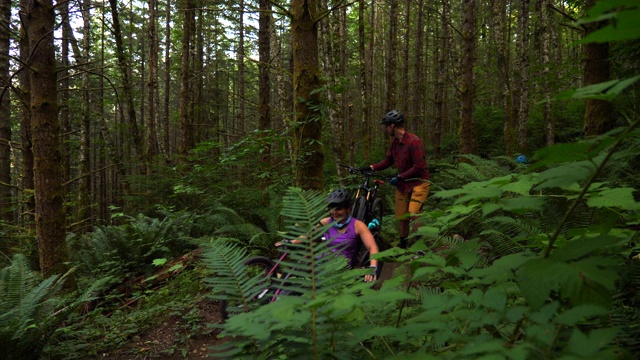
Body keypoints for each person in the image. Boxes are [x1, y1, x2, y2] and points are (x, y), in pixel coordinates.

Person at [278, 188, 379, 282]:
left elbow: (372, 247)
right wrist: (291, 242)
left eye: (339, 209)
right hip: (320, 263)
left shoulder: (358, 225)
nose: (334, 212)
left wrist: (373, 267)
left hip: (340, 269)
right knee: (292, 274)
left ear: (348, 209)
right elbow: (309, 235)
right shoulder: (325, 222)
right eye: (331, 208)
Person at [364, 109, 430, 249]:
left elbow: (419, 166)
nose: (386, 129)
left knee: (414, 214)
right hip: (403, 185)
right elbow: (388, 161)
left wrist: (399, 176)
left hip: (419, 183)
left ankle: (420, 248)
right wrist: (371, 167)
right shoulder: (394, 143)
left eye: (387, 126)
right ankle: (403, 248)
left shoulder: (414, 141)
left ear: (392, 125)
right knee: (402, 217)